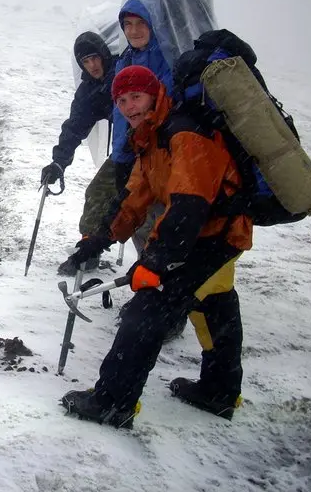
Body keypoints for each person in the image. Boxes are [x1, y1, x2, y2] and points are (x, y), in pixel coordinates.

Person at [60, 65, 252, 429]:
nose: (129, 106)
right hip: (211, 233)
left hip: (213, 235)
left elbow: (189, 207)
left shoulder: (184, 135)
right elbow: (134, 200)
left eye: (136, 96)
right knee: (214, 303)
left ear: (154, 94)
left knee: (146, 311)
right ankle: (220, 391)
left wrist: (157, 261)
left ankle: (114, 403)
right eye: (121, 99)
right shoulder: (151, 138)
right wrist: (98, 240)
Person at [47, 0, 218, 277]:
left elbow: (166, 106)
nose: (134, 30)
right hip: (131, 153)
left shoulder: (168, 57)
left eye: (141, 23)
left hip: (160, 151)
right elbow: (76, 125)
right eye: (128, 24)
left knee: (154, 214)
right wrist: (60, 160)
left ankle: (162, 279)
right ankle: (97, 250)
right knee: (111, 200)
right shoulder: (122, 63)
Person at [40, 31, 117, 272]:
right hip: (128, 149)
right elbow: (74, 127)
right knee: (98, 192)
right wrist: (59, 162)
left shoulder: (125, 70)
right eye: (85, 61)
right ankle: (88, 249)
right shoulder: (89, 92)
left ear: (104, 54)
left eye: (95, 57)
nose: (92, 65)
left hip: (155, 142)